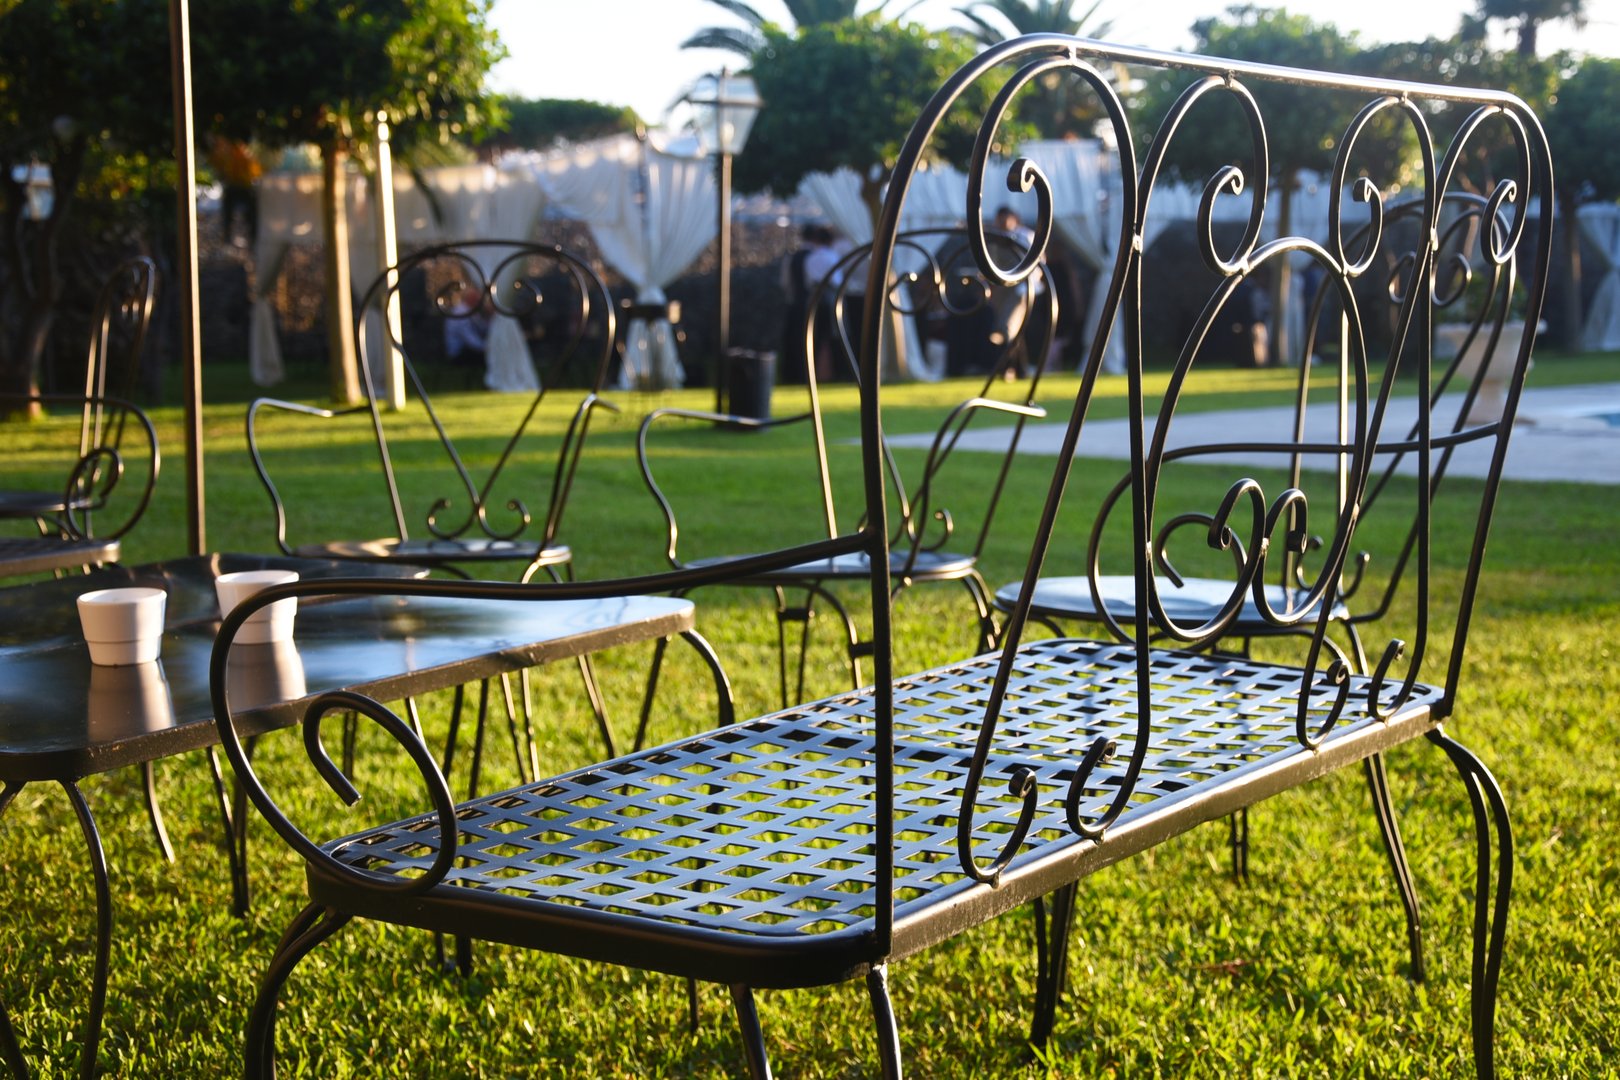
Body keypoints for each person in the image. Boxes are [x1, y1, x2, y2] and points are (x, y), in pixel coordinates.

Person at [778, 224, 841, 384]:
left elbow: (785, 283)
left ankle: (796, 375)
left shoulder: (792, 258)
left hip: (795, 304)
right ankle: (821, 373)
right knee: (820, 338)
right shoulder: (821, 256)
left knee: (796, 341)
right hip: (814, 304)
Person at [443, 286, 491, 389]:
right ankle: (486, 384)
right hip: (459, 353)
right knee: (489, 358)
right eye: (477, 299)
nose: (479, 302)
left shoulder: (470, 311)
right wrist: (486, 348)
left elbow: (482, 327)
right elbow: (469, 338)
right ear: (470, 299)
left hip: (468, 349)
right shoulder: (461, 313)